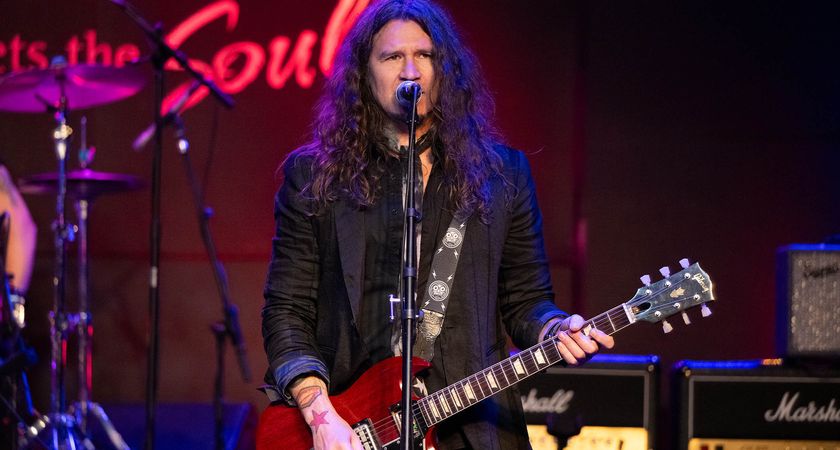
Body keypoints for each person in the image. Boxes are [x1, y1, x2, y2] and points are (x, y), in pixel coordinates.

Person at [261, 1, 615, 448]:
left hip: (469, 428)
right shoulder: (315, 177)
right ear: (364, 75)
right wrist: (320, 415)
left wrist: (556, 329)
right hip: (351, 427)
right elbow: (287, 311)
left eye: (425, 55)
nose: (411, 70)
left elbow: (526, 301)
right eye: (392, 57)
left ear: (444, 68)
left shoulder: (501, 175)